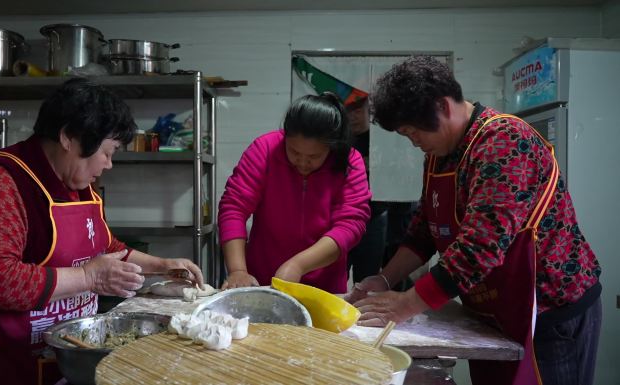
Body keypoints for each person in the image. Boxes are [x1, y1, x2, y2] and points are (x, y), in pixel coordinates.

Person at [346, 56, 602, 385]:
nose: (415, 143)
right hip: (495, 313)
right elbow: (425, 231)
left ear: (443, 106)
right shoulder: (439, 155)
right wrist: (383, 279)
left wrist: (407, 304)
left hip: (551, 313)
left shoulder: (504, 141)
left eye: (414, 132)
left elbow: (481, 246)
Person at [0, 78, 204, 385]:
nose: (109, 164)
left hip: (61, 357)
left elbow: (104, 246)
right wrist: (89, 278)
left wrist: (162, 266)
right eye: (107, 151)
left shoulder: (77, 183)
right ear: (69, 138)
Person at [218, 92, 371, 294]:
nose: (302, 162)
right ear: (285, 137)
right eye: (294, 152)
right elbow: (233, 208)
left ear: (332, 148)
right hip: (263, 283)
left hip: (324, 289)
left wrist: (298, 265)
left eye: (314, 156)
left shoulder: (349, 161)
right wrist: (238, 270)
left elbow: (351, 224)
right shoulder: (265, 149)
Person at [345, 97, 419, 286]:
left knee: (368, 275)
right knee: (338, 272)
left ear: (367, 110)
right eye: (349, 111)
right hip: (345, 216)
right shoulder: (341, 142)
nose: (353, 116)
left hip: (376, 215)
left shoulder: (381, 140)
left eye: (357, 110)